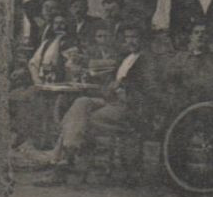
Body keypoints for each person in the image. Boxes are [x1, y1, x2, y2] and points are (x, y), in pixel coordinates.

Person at [32, 24, 162, 184]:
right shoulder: (126, 57)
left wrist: (123, 84)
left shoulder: (148, 59)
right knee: (81, 103)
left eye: (134, 37)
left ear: (143, 39)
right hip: (112, 101)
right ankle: (64, 161)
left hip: (131, 106)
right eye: (128, 37)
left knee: (79, 121)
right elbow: (111, 82)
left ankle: (60, 165)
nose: (130, 41)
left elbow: (150, 87)